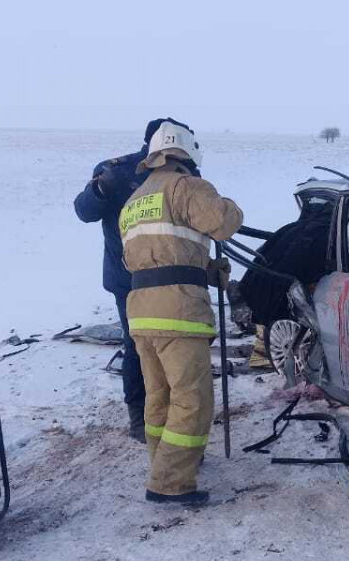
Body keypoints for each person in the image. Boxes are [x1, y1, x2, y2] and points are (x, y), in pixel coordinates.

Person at [119, 120, 242, 505]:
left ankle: (163, 464)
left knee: (159, 396)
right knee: (193, 399)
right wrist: (230, 205)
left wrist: (204, 271)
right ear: (188, 154)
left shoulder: (135, 199)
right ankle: (170, 483)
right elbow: (222, 224)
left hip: (141, 312)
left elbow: (152, 257)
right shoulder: (187, 186)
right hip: (178, 313)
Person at [73, 118, 192, 442]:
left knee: (179, 348)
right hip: (129, 280)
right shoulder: (118, 172)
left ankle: (176, 411)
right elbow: (84, 211)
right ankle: (141, 418)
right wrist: (99, 189)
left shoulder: (185, 172)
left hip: (174, 277)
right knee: (139, 348)